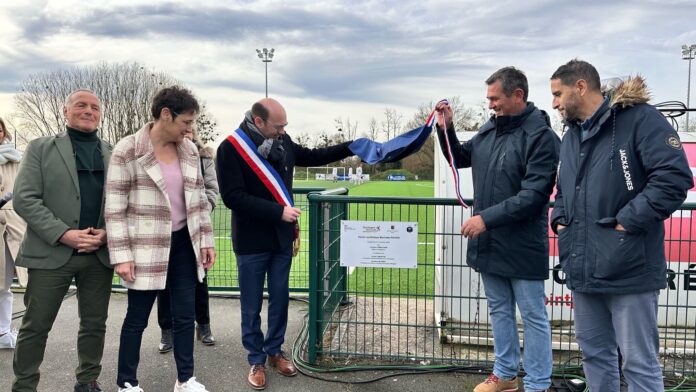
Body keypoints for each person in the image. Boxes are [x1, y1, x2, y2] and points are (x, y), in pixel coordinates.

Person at [549, 59, 693, 392]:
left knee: (638, 363)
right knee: (595, 357)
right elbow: (564, 189)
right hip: (585, 269)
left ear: (581, 87)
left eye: (558, 93)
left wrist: (627, 221)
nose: (554, 102)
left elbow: (673, 179)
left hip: (630, 268)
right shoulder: (572, 135)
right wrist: (559, 219)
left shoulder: (640, 120)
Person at [216, 98, 355, 390]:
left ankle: (275, 351)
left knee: (280, 298)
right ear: (258, 122)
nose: (283, 131)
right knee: (251, 304)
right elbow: (233, 197)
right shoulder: (230, 148)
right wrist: (278, 211)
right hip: (252, 240)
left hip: (281, 238)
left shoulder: (283, 141)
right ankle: (256, 358)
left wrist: (351, 146)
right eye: (278, 126)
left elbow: (314, 155)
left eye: (285, 126)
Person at [435, 67, 559, 392]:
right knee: (500, 310)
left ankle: (538, 384)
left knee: (533, 316)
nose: (490, 105)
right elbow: (459, 156)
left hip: (521, 245)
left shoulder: (541, 137)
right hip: (490, 243)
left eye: (495, 98)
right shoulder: (489, 130)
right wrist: (446, 128)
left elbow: (533, 197)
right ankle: (505, 375)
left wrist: (485, 219)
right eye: (488, 98)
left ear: (517, 95)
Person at [105, 86, 215, 392]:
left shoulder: (190, 150)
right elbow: (114, 209)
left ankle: (185, 379)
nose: (190, 129)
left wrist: (206, 241)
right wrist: (122, 256)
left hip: (184, 245)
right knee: (136, 319)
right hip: (144, 248)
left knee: (184, 316)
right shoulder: (127, 150)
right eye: (186, 122)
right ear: (165, 114)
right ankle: (127, 382)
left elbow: (198, 201)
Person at [12, 89, 113, 392]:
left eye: (95, 107)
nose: (88, 111)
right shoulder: (40, 148)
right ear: (65, 111)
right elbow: (25, 199)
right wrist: (64, 234)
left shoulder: (113, 152)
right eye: (81, 105)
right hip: (52, 252)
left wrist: (108, 233)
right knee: (36, 325)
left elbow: (125, 202)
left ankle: (87, 380)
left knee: (94, 324)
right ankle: (25, 385)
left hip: (98, 254)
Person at [156, 126, 219, 352]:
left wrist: (202, 210)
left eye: (190, 128)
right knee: (163, 283)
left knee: (200, 280)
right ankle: (167, 330)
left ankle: (203, 325)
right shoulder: (160, 153)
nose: (186, 132)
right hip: (164, 229)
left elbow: (211, 188)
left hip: (194, 229)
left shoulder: (203, 157)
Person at [0, 117, 27, 350]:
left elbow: (25, 192)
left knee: (4, 284)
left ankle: (3, 333)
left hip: (11, 227)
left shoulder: (16, 160)